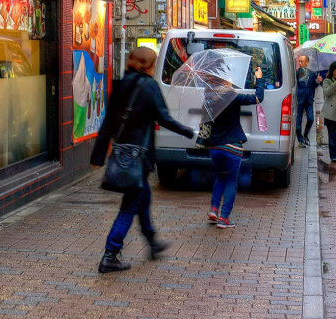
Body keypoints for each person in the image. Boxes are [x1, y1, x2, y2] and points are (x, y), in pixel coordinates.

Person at [91, 47, 195, 273]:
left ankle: (153, 243)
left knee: (143, 198)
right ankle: (110, 254)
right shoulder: (149, 86)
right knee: (129, 206)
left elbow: (108, 123)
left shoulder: (120, 85)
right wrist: (188, 132)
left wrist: (98, 156)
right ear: (148, 65)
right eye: (155, 62)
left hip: (123, 154)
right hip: (138, 158)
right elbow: (164, 118)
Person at [198, 65, 266, 229]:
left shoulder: (208, 97)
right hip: (232, 147)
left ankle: (214, 209)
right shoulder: (232, 96)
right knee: (231, 182)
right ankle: (224, 219)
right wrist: (259, 78)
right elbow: (258, 98)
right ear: (225, 80)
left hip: (215, 147)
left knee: (220, 177)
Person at [295, 55, 322, 147]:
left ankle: (306, 135)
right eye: (299, 61)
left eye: (302, 61)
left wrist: (318, 81)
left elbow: (313, 86)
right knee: (298, 123)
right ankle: (300, 139)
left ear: (307, 62)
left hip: (309, 99)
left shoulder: (312, 73)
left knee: (310, 118)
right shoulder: (297, 73)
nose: (300, 63)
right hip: (299, 99)